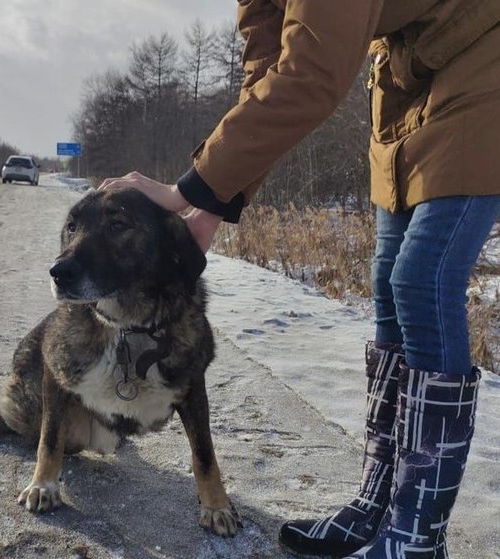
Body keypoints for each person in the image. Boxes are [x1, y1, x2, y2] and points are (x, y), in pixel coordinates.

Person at [99, 1, 500, 557]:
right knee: (388, 283)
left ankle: (417, 537)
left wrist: (182, 191)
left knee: (422, 279)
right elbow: (267, 73)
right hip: (408, 70)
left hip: (485, 58)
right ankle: (377, 506)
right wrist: (210, 207)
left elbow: (311, 73)